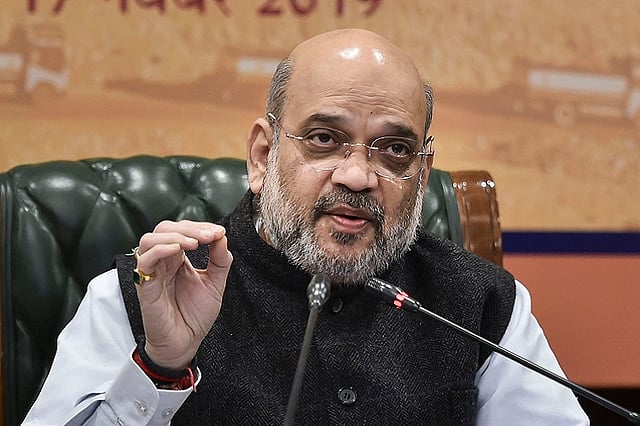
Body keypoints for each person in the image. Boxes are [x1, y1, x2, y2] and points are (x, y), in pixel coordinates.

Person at [22, 28, 589, 425]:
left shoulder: (481, 305)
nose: (358, 175)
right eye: (324, 139)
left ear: (421, 173)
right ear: (262, 156)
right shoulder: (143, 294)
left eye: (394, 150)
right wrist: (159, 368)